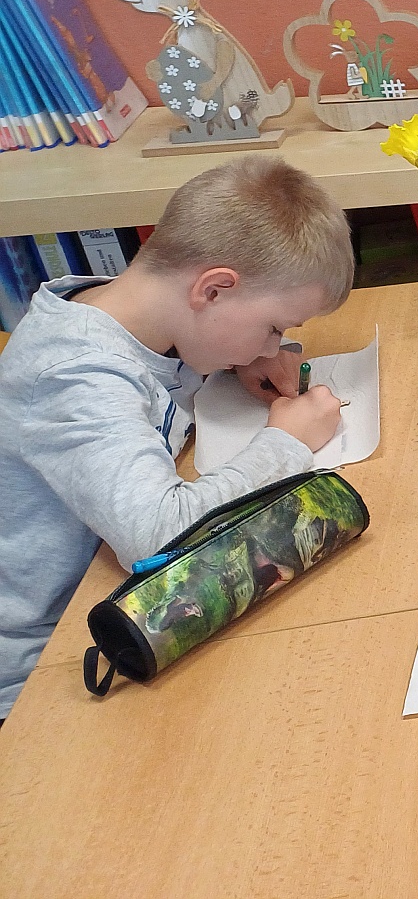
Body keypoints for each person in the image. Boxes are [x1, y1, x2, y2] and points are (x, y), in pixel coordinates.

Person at [0, 155, 353, 720]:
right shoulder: (74, 376)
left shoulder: (142, 313)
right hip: (50, 662)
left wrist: (238, 360)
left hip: (119, 601)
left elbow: (167, 362)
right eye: (273, 328)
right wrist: (287, 443)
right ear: (213, 290)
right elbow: (163, 536)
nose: (274, 346)